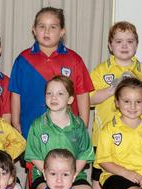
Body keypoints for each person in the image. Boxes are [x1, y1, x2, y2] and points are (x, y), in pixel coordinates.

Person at [89, 21, 142, 189]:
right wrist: (112, 88)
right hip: (104, 135)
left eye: (130, 41)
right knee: (98, 178)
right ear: (110, 45)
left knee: (131, 179)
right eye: (119, 41)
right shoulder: (101, 70)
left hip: (134, 138)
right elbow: (88, 99)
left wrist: (141, 86)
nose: (124, 46)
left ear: (136, 45)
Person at [9, 7, 93, 138]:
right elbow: (15, 94)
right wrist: (15, 122)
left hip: (66, 132)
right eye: (42, 26)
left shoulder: (74, 60)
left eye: (53, 27)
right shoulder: (23, 60)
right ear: (34, 30)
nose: (47, 31)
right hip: (30, 130)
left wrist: (83, 125)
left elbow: (82, 95)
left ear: (62, 32)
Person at [25, 76, 95, 189]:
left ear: (70, 99)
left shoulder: (78, 125)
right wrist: (49, 173)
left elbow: (84, 153)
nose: (53, 97)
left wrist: (72, 175)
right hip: (43, 175)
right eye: (49, 93)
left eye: (60, 93)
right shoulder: (37, 125)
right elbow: (33, 155)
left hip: (73, 175)